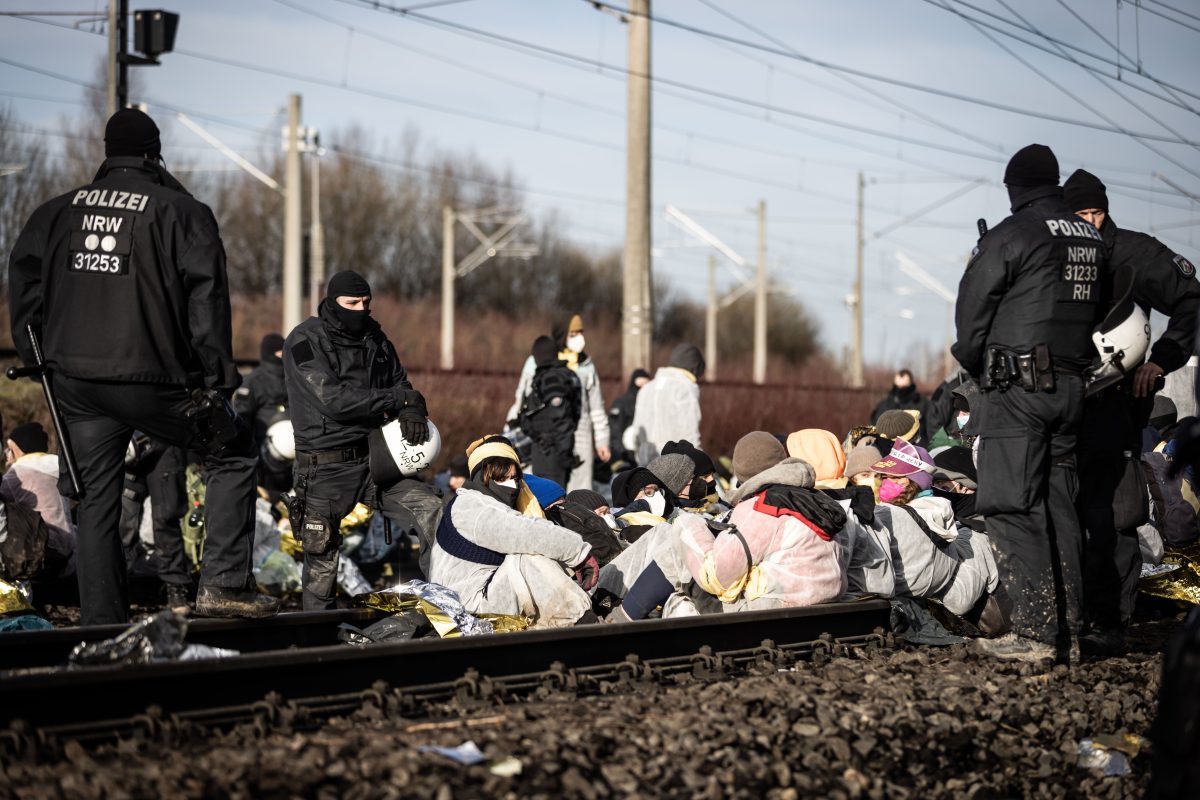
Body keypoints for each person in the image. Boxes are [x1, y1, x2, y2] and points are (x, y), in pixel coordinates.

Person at [7, 108, 277, 624]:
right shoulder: (182, 211)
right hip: (155, 381)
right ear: (155, 153)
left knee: (96, 505)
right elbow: (206, 301)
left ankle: (103, 630)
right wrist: (216, 381)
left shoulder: (55, 212)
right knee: (235, 450)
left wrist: (37, 360)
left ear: (108, 152)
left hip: (76, 387)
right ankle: (223, 585)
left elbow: (23, 289)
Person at [952, 143, 1108, 662]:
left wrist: (975, 363)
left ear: (1014, 187)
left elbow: (972, 313)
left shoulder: (1011, 235)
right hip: (1072, 388)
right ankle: (1070, 630)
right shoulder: (1089, 237)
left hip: (1017, 392)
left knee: (1012, 504)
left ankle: (1035, 633)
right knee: (1058, 503)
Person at [1063, 168, 1200, 656]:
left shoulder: (1135, 253)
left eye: (1097, 212)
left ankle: (1110, 623)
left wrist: (1161, 360)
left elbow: (1190, 298)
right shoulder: (1051, 253)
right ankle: (1069, 615)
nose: (1091, 222)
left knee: (1116, 514)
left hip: (1117, 406)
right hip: (1060, 407)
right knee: (1064, 511)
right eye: (1081, 214)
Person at [284, 270, 444, 605]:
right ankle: (315, 633)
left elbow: (401, 384)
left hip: (377, 460)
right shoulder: (303, 341)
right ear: (332, 302)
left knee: (432, 511)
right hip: (325, 468)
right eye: (352, 303)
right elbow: (334, 400)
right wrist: (397, 400)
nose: (361, 309)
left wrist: (412, 410)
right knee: (322, 560)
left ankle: (442, 606)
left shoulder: (376, 338)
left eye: (366, 302)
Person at [429, 435, 597, 627]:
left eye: (514, 478)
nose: (511, 485)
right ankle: (584, 623)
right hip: (468, 609)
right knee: (529, 558)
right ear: (481, 478)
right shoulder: (471, 507)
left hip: (480, 597)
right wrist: (579, 553)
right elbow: (529, 534)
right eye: (501, 478)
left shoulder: (479, 503)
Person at [508, 315, 611, 492]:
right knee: (549, 490)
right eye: (573, 334)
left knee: (579, 491)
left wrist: (602, 440)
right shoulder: (536, 361)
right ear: (562, 335)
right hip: (547, 438)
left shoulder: (586, 365)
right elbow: (522, 399)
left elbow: (596, 407)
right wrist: (511, 429)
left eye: (580, 332)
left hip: (580, 435)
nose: (579, 338)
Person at [624, 344, 705, 465]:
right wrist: (700, 465)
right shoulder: (685, 388)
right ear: (695, 369)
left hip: (645, 464)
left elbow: (637, 432)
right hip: (675, 466)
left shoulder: (646, 389)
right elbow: (690, 435)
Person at [517, 336, 582, 487]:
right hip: (549, 448)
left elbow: (561, 417)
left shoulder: (553, 378)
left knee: (549, 495)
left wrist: (564, 452)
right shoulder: (562, 374)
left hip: (550, 450)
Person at [234, 332, 292, 492]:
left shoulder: (252, 381)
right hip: (272, 450)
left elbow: (241, 418)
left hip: (268, 452)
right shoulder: (295, 378)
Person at [608, 368, 650, 468]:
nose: (643, 387)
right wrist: (620, 454)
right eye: (641, 384)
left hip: (646, 453)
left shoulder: (650, 403)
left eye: (646, 384)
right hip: (626, 454)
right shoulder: (622, 403)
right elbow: (615, 431)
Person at [871, 370, 930, 435]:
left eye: (904, 387)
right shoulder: (883, 406)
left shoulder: (923, 404)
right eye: (897, 387)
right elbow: (874, 428)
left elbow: (931, 428)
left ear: (911, 386)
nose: (900, 390)